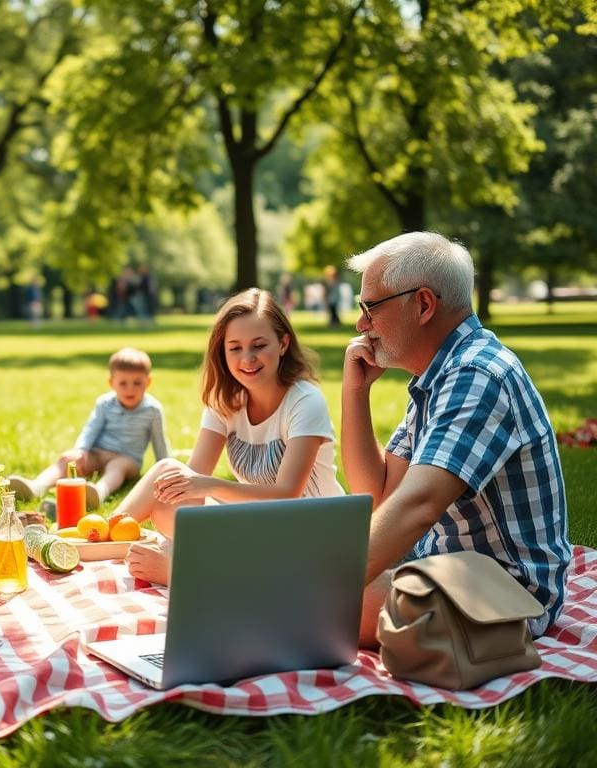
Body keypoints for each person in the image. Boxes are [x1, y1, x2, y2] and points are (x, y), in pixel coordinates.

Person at [341, 231, 571, 645]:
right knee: (317, 585)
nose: (361, 324)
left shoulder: (477, 375)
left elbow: (418, 506)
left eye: (370, 307)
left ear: (424, 304)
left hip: (512, 593)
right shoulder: (439, 375)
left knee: (330, 603)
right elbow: (379, 496)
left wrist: (321, 586)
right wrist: (356, 392)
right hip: (450, 571)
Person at [119, 288, 345, 585]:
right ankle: (104, 534)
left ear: (283, 343)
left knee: (181, 494)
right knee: (168, 476)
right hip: (256, 526)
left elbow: (287, 494)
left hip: (310, 533)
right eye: (235, 348)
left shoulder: (305, 401)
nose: (247, 358)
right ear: (222, 353)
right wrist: (188, 486)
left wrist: (208, 486)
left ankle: (184, 573)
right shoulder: (226, 401)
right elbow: (193, 476)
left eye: (259, 345)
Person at [8, 347, 169, 510]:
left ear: (148, 382)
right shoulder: (104, 403)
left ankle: (98, 492)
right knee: (67, 461)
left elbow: (159, 442)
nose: (130, 389)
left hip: (127, 459)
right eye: (123, 383)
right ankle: (36, 487)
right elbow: (91, 428)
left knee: (117, 467)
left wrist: (165, 468)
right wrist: (80, 450)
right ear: (111, 383)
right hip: (98, 453)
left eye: (137, 383)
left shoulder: (152, 410)